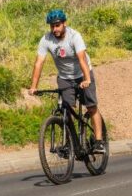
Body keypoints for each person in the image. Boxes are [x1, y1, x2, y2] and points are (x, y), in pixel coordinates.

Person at [29, 9, 105, 153]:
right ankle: (69, 143)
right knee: (66, 109)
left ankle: (99, 140)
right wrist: (34, 87)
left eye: (57, 25)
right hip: (64, 77)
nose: (54, 29)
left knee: (91, 106)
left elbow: (82, 59)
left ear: (64, 23)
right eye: (52, 26)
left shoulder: (74, 36)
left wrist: (87, 78)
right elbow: (39, 63)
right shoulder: (46, 39)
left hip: (82, 74)